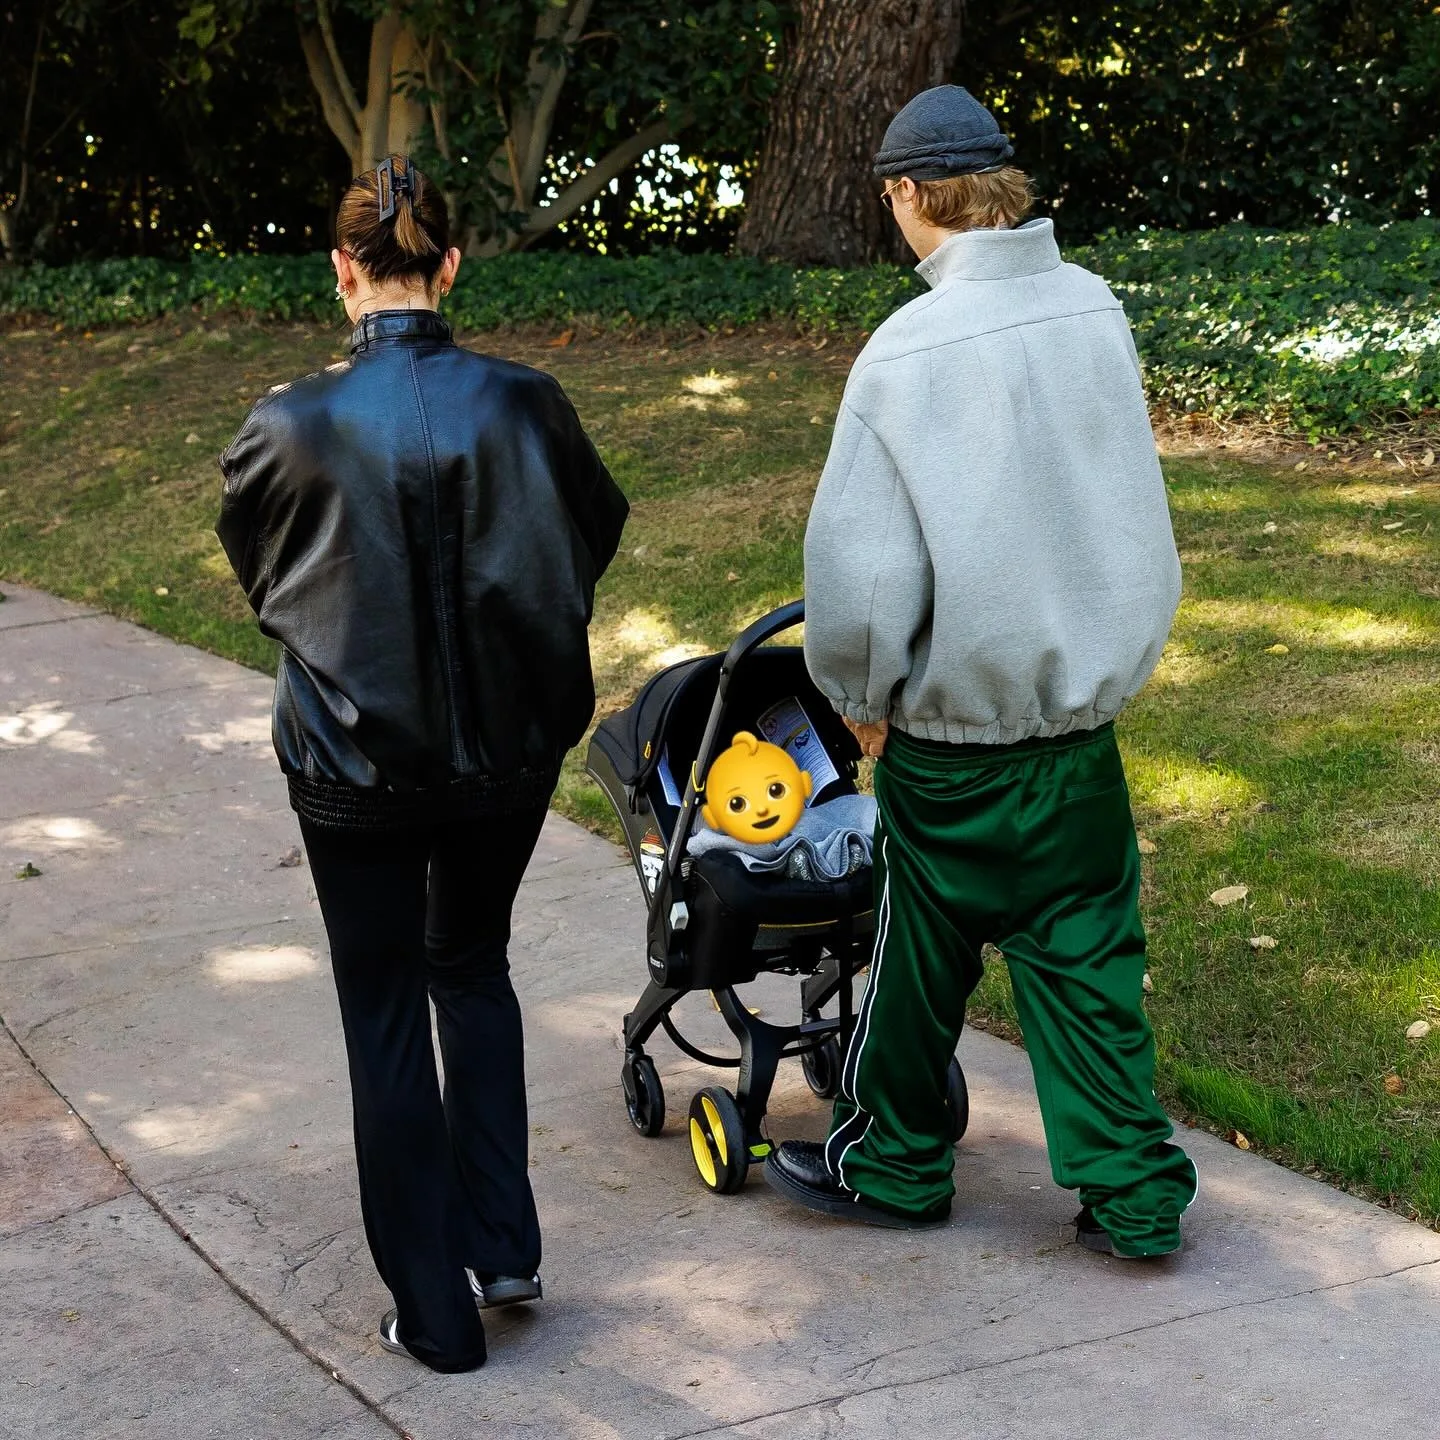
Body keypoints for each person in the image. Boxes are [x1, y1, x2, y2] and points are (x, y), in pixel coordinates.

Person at [763, 87, 1198, 1257]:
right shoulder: (1091, 307)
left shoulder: (906, 352)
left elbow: (859, 569)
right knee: (1090, 966)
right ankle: (1138, 1195)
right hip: (1079, 735)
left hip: (954, 749)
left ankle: (896, 1166)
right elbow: (1124, 507)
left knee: (912, 966)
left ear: (910, 194)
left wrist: (858, 697)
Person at [216, 155, 628, 1370]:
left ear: (343, 272)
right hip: (506, 756)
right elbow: (583, 543)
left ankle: (438, 1313)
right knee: (472, 964)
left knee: (388, 1001)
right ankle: (499, 1247)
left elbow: (268, 581)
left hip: (353, 763)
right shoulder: (529, 404)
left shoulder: (286, 424)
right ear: (449, 267)